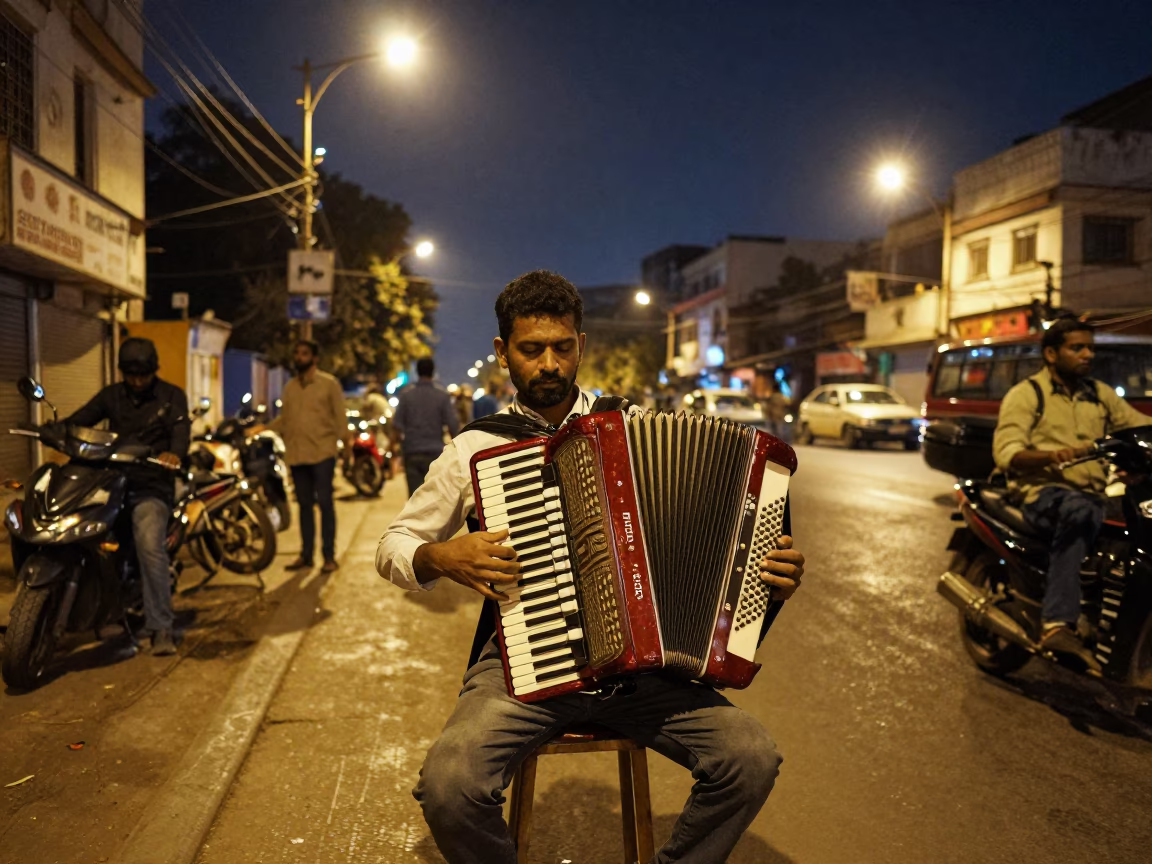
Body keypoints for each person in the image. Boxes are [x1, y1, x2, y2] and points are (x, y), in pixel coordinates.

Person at [377, 270, 806, 863]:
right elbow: (393, 544)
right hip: (521, 670)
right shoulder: (474, 449)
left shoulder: (630, 426)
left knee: (751, 760)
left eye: (563, 347)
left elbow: (732, 540)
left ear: (582, 345)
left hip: (643, 672)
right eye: (531, 350)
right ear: (504, 354)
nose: (549, 364)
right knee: (449, 787)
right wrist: (438, 554)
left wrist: (771, 569)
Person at [993, 316, 1150, 670]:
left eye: (1090, 348)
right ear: (1051, 353)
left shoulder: (1099, 394)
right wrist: (1052, 455)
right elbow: (1007, 454)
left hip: (1094, 493)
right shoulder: (1027, 395)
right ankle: (1057, 623)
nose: (1087, 355)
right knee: (1081, 512)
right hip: (1041, 492)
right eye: (1076, 348)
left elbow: (1137, 423)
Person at [67, 337, 189, 655]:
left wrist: (174, 455)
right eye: (130, 375)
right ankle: (105, 614)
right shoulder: (111, 396)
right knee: (89, 543)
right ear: (122, 372)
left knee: (150, 547)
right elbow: (80, 420)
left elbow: (180, 434)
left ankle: (162, 627)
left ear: (153, 371)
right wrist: (57, 430)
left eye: (143, 375)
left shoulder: (172, 396)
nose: (136, 381)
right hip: (111, 485)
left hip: (151, 486)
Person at [257, 340, 349, 573]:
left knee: (326, 505)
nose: (299, 357)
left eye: (304, 354)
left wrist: (347, 448)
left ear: (314, 358)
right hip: (297, 456)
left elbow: (340, 419)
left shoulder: (329, 384)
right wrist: (263, 428)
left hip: (322, 454)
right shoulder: (290, 388)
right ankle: (306, 555)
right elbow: (285, 420)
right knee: (304, 507)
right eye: (297, 353)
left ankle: (329, 556)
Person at [392, 357, 459, 497]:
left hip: (412, 452)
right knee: (435, 498)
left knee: (415, 498)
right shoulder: (442, 396)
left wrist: (393, 448)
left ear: (417, 372)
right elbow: (453, 425)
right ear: (433, 372)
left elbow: (397, 426)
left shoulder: (406, 396)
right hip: (435, 454)